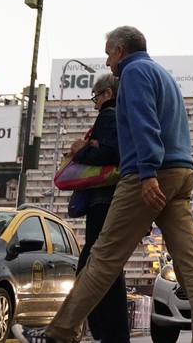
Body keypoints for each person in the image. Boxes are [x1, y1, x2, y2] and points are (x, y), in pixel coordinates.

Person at [43, 26, 193, 343]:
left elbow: (144, 123)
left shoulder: (135, 73)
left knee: (103, 258)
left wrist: (148, 172)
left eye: (109, 54)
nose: (109, 63)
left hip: (148, 173)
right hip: (180, 174)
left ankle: (59, 333)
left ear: (120, 50)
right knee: (189, 261)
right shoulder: (161, 74)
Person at [66, 73, 129, 343]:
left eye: (96, 97)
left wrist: (80, 150)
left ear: (108, 93)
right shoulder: (124, 115)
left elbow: (109, 154)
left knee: (92, 265)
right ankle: (110, 333)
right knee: (107, 268)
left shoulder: (109, 115)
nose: (95, 104)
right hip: (114, 200)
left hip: (104, 200)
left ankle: (66, 329)